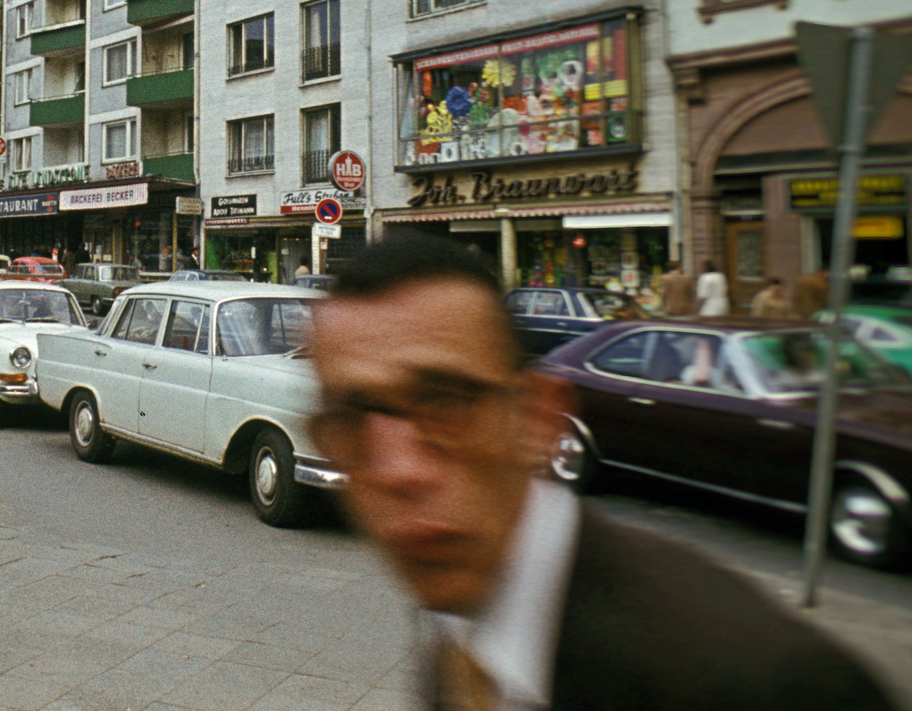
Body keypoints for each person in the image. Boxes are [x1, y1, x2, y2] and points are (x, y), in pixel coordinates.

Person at [305, 231, 896, 711]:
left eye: (445, 401)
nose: (400, 472)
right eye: (354, 417)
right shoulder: (457, 600)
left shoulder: (762, 680)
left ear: (540, 419)